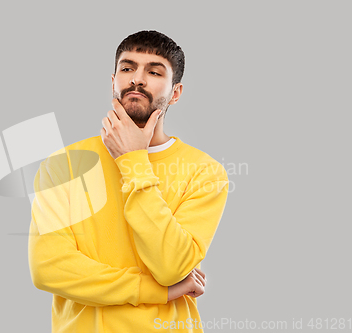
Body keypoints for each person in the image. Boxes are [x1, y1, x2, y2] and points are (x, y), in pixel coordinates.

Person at [28, 30, 229, 332]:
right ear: (113, 82)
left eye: (154, 71)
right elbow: (48, 269)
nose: (138, 79)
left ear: (175, 93)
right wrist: (158, 291)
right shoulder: (65, 164)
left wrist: (132, 160)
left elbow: (171, 266)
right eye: (127, 68)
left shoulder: (205, 172)